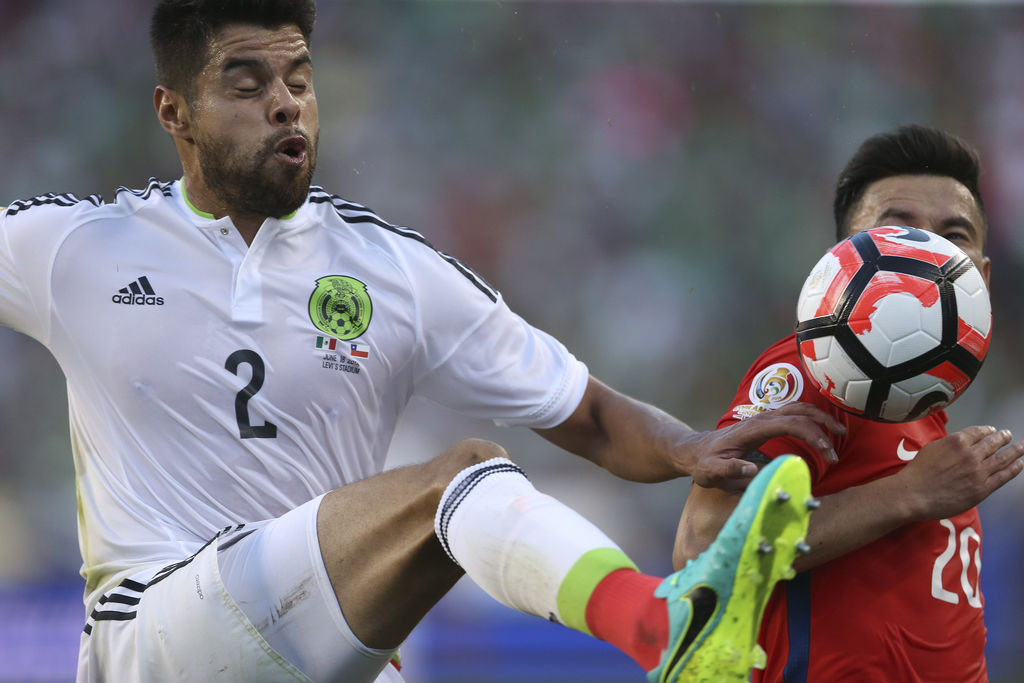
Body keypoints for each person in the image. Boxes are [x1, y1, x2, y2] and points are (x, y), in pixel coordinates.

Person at [0, 2, 849, 682]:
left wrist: (688, 446)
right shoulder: (74, 248)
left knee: (464, 493)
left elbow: (585, 412)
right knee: (459, 477)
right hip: (153, 640)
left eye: (300, 78)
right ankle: (663, 625)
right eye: (247, 83)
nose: (285, 103)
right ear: (174, 112)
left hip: (325, 645)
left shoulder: (394, 272)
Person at [673, 124, 1024, 682]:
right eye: (900, 227)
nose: (929, 252)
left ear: (980, 277)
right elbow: (704, 545)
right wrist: (908, 493)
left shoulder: (925, 410)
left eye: (954, 235)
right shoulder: (823, 368)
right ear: (842, 259)